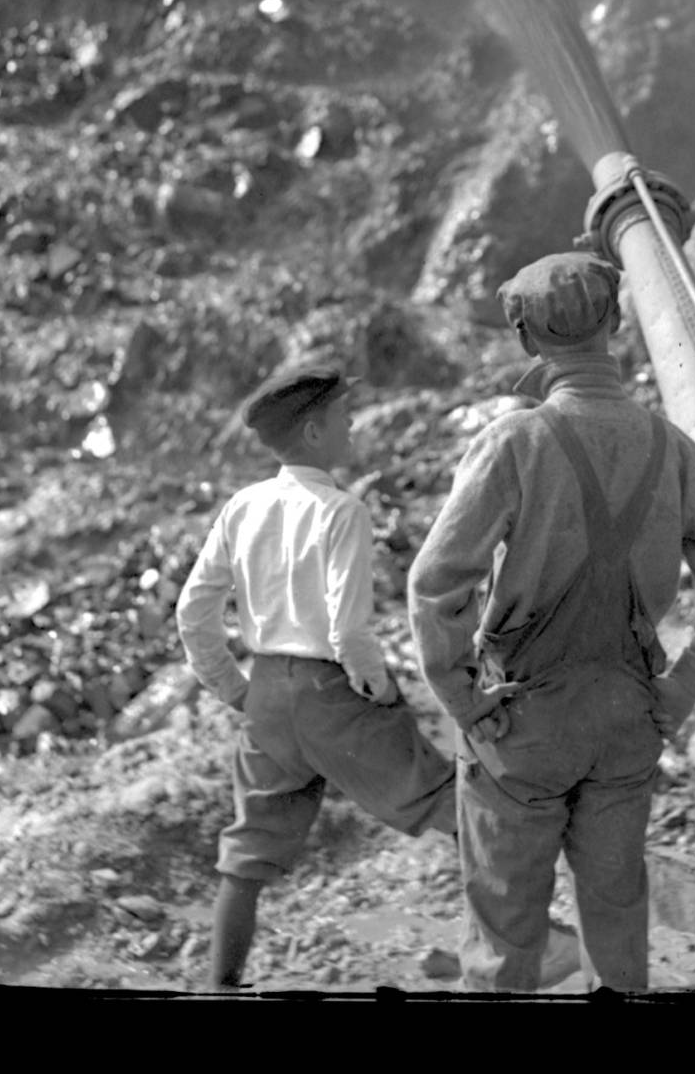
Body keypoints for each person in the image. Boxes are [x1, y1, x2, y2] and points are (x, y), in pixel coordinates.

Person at [411, 252, 695, 993]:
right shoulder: (669, 444)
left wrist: (465, 698)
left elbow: (435, 583)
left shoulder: (515, 442)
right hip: (626, 719)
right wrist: (681, 690)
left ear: (526, 341)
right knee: (616, 919)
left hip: (521, 725)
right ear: (615, 324)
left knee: (506, 932)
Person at [176, 360, 489, 993]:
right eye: (345, 417)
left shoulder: (243, 506)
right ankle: (511, 949)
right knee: (458, 804)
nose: (354, 426)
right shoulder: (342, 511)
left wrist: (235, 688)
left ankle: (221, 986)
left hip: (266, 691)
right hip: (330, 691)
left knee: (247, 855)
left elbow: (192, 612)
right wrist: (378, 689)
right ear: (315, 433)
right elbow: (349, 634)